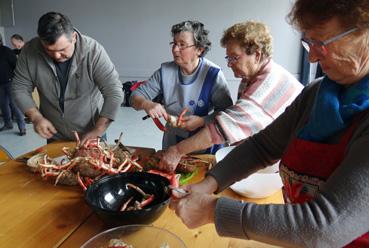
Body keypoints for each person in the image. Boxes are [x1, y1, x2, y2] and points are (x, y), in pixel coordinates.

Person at [170, 0, 369, 247]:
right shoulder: (317, 93)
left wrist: (213, 211)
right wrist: (209, 184)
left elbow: (324, 228)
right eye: (310, 43)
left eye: (322, 43)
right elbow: (263, 147)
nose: (313, 57)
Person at [159, 21, 303, 171]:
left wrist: (177, 150)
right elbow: (245, 129)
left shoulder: (266, 87)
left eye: (234, 57)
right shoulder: (248, 80)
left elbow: (221, 129)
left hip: (297, 156)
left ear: (257, 55)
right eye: (228, 58)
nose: (229, 64)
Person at [12, 12, 123, 144]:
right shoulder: (29, 51)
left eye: (62, 49)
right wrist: (36, 117)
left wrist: (98, 130)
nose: (57, 56)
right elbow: (20, 88)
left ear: (74, 37)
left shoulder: (93, 51)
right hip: (55, 133)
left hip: (91, 132)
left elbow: (114, 92)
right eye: (49, 50)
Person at [130, 20, 233, 152]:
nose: (175, 49)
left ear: (199, 49)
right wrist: (146, 104)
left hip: (203, 144)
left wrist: (202, 121)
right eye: (174, 43)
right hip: (172, 142)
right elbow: (134, 96)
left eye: (182, 45)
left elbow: (227, 114)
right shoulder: (165, 71)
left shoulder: (213, 74)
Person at [0, 34, 26, 135]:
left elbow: (16, 66)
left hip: (11, 82)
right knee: (3, 105)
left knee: (14, 105)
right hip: (0, 85)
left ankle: (22, 127)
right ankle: (8, 124)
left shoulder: (7, 51)